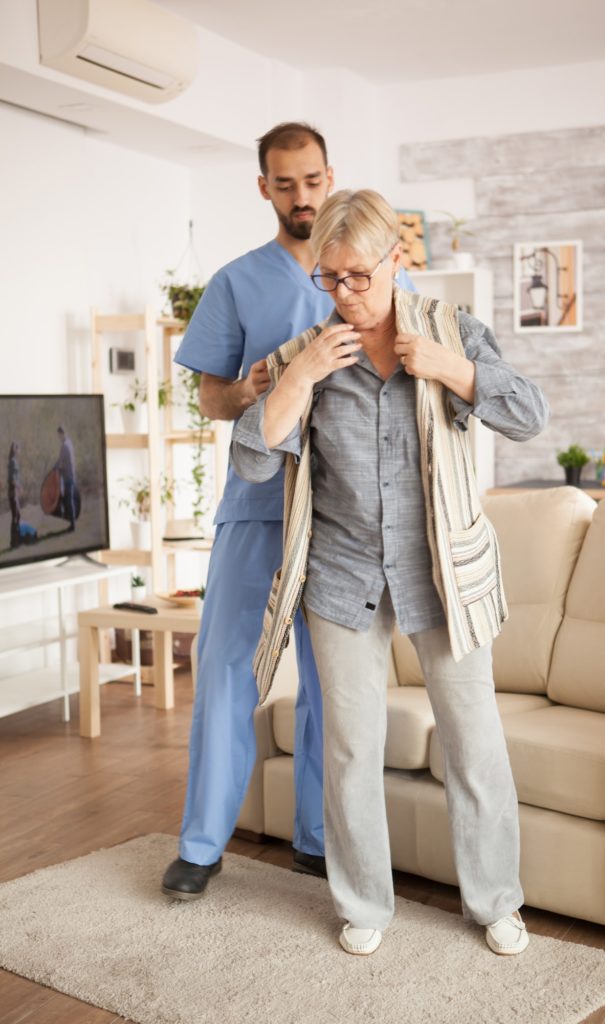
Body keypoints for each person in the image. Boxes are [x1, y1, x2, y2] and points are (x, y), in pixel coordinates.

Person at [231, 189, 550, 957]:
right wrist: (298, 378)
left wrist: (454, 370)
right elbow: (248, 457)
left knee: (474, 742)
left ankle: (497, 902)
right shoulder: (308, 352)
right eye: (329, 279)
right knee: (348, 750)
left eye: (358, 277)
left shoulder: (455, 332)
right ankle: (364, 905)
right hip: (341, 579)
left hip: (442, 574)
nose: (345, 295)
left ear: (395, 262)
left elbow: (529, 414)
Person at [162, 125, 414, 900]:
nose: (302, 197)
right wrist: (260, 383)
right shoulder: (239, 283)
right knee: (228, 672)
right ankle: (202, 846)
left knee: (328, 683)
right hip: (258, 508)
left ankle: (314, 837)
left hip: (341, 523)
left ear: (329, 175)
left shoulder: (370, 275)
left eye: (312, 181)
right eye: (286, 184)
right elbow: (208, 395)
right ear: (263, 188)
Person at [54, 426, 77, 531]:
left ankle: (72, 525)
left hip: (68, 476)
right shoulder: (69, 443)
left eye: (59, 434)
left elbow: (60, 461)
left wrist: (54, 468)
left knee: (69, 500)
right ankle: (72, 523)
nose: (58, 437)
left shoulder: (65, 446)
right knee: (68, 499)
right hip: (71, 475)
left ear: (62, 433)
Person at [8, 441, 21, 548]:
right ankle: (13, 542)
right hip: (13, 491)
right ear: (14, 450)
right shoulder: (12, 462)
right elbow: (12, 480)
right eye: (18, 448)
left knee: (17, 515)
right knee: (15, 516)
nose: (19, 450)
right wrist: (19, 487)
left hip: (14, 491)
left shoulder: (14, 461)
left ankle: (16, 540)